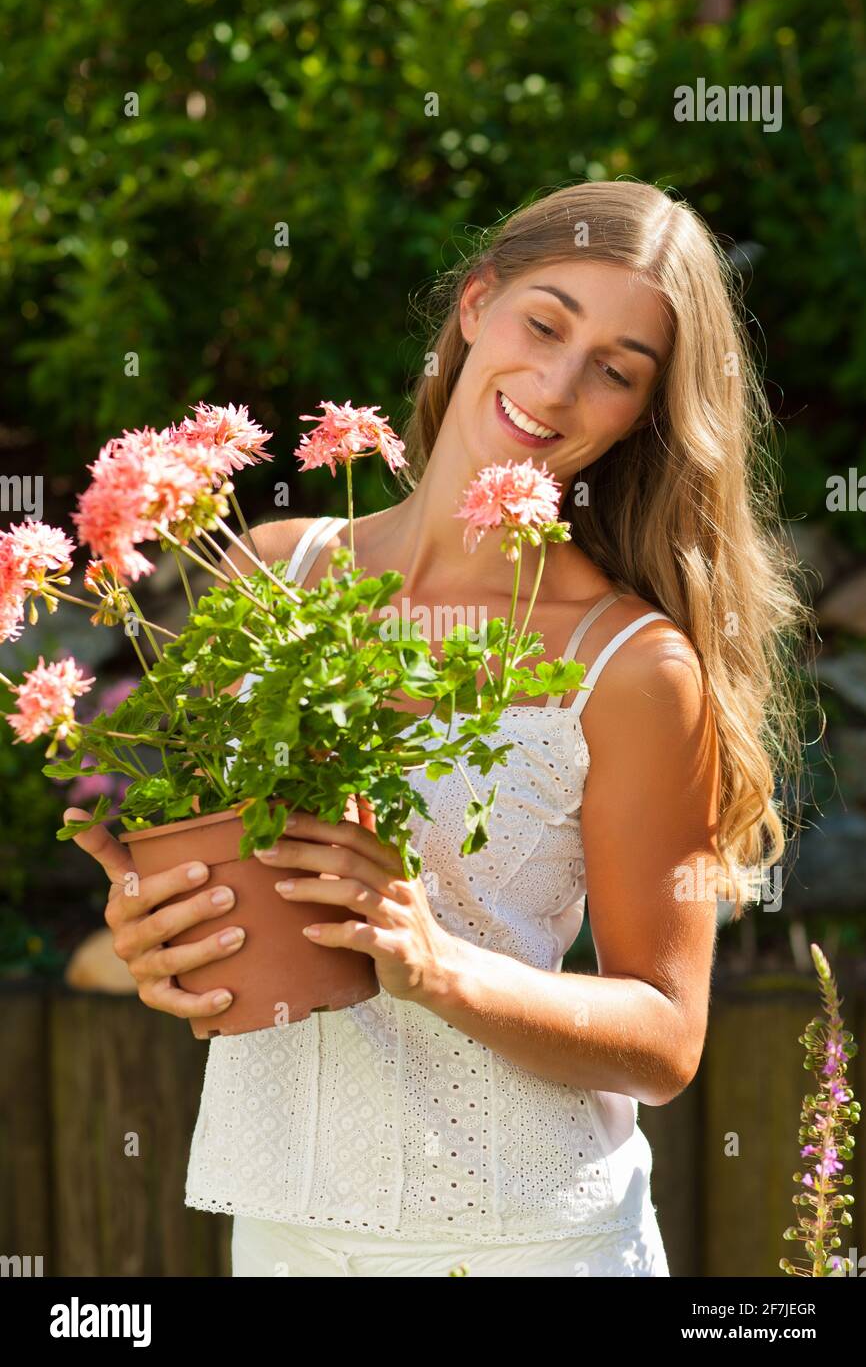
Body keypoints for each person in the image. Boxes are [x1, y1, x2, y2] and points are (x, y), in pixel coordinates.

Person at [67, 179, 809, 1277]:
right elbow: (233, 876)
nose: (556, 384)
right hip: (278, 1232)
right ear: (474, 307)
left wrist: (435, 965)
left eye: (614, 369)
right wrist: (158, 934)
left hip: (526, 1243)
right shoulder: (273, 574)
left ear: (641, 414)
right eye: (542, 322)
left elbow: (665, 1038)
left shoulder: (633, 666)